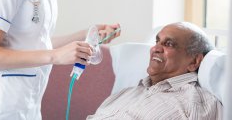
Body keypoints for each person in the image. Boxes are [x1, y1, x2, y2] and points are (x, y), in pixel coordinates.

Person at [87, 22, 223, 120]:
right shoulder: (129, 92)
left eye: (169, 44)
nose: (155, 49)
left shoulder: (196, 104)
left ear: (194, 62)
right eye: (157, 41)